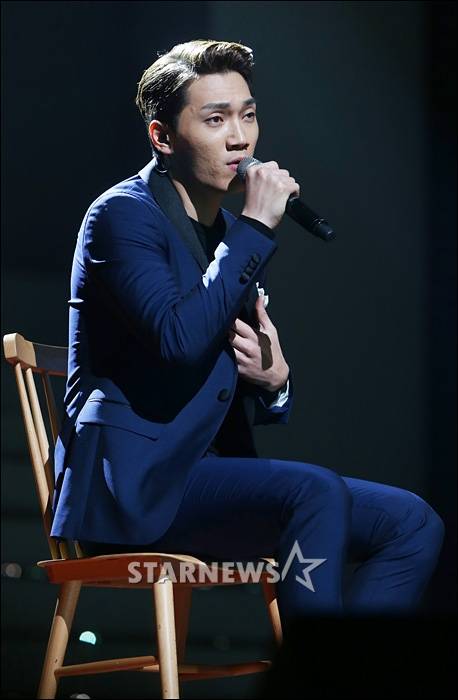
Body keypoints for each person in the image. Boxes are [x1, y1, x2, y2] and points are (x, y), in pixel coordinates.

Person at [50, 39, 444, 630]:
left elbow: (223, 368)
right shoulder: (122, 216)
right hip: (133, 487)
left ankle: (353, 665)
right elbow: (179, 339)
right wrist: (256, 227)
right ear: (163, 137)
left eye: (249, 115)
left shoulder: (229, 235)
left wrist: (274, 381)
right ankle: (319, 668)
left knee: (411, 522)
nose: (240, 138)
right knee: (313, 491)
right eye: (216, 120)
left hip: (204, 477)